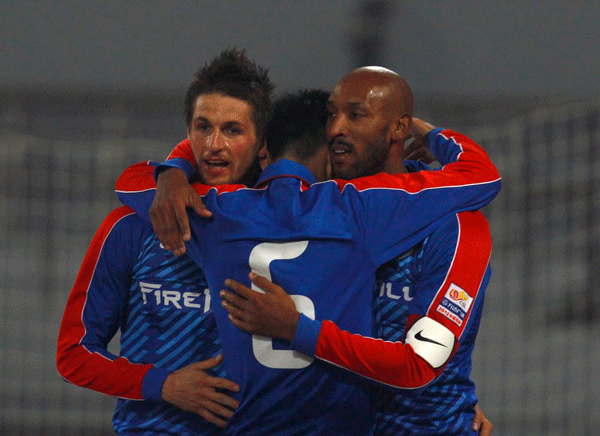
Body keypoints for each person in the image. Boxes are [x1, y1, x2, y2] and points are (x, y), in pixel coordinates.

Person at [115, 85, 500, 435]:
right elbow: (481, 175)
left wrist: (172, 171)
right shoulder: (359, 207)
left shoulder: (215, 214)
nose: (342, 131)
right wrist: (431, 134)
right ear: (328, 157)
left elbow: (129, 182)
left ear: (263, 152)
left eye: (355, 116)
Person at [219, 68, 496, 435]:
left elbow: (420, 366)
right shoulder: (324, 209)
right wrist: (173, 172)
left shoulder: (456, 225)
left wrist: (297, 329)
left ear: (398, 129)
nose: (335, 129)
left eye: (355, 115)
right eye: (331, 114)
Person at [56, 48, 275, 435]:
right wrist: (162, 385)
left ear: (261, 143)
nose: (214, 145)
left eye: (233, 130)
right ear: (187, 134)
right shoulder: (131, 226)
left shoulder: (284, 227)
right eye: (203, 127)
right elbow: (74, 354)